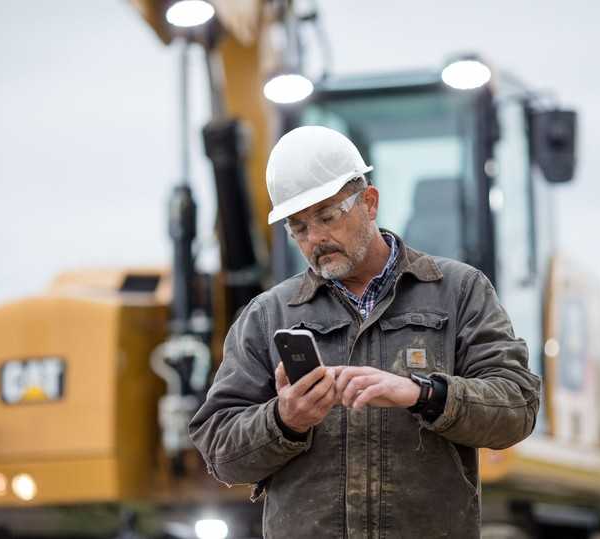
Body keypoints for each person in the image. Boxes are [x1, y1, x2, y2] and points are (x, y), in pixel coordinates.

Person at [189, 126, 541, 538]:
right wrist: (284, 420)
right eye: (298, 227)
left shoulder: (459, 292)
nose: (316, 238)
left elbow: (517, 407)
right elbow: (220, 451)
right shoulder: (267, 316)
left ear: (369, 203)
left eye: (327, 216)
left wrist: (423, 394)